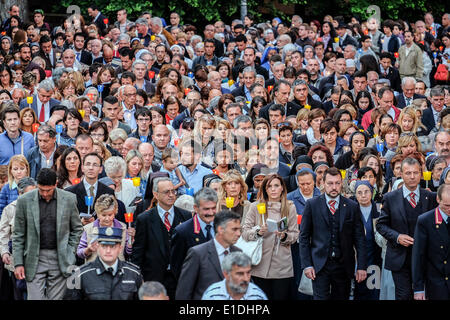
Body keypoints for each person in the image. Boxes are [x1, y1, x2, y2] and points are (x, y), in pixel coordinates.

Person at [12, 168, 83, 300]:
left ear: (56, 184)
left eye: (48, 190)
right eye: (41, 189)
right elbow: (18, 234)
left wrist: (70, 251)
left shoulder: (69, 199)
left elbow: (77, 229)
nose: (44, 194)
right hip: (34, 257)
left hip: (61, 257)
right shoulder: (24, 201)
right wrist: (18, 263)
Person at [299, 167, 367, 300]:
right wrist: (307, 265)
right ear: (323, 183)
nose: (334, 187)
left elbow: (359, 238)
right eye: (330, 183)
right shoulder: (312, 205)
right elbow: (304, 237)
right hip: (319, 265)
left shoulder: (352, 206)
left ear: (342, 184)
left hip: (344, 265)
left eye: (337, 183)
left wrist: (362, 266)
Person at [376, 157, 438, 300]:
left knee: (424, 295)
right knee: (403, 296)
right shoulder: (390, 198)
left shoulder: (430, 197)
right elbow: (381, 225)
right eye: (408, 173)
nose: (412, 177)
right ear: (401, 174)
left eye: (415, 173)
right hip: (400, 258)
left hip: (425, 257)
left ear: (421, 174)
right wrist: (397, 237)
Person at [131, 177, 191, 299]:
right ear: (156, 194)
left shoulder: (186, 216)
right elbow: (138, 252)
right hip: (153, 280)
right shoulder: (144, 219)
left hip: (179, 279)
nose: (171, 195)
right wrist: (138, 279)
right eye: (166, 192)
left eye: (173, 191)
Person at [241, 173, 298, 300]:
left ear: (282, 188)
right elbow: (244, 232)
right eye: (269, 186)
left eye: (276, 185)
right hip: (260, 263)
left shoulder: (290, 207)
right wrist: (258, 232)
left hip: (281, 266)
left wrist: (284, 236)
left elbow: (295, 234)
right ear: (265, 189)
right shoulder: (255, 206)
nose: (273, 189)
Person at [175, 210, 242, 300]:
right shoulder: (197, 254)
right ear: (220, 229)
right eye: (234, 229)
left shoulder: (238, 253)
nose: (238, 234)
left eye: (239, 229)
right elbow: (184, 292)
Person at [64, 226, 143, 300]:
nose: (108, 251)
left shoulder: (134, 274)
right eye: (104, 246)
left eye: (112, 247)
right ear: (97, 247)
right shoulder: (79, 275)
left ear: (120, 248)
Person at [0, 177, 36, 301]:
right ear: (20, 193)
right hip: (17, 257)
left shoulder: (40, 207)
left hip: (37, 256)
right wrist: (4, 251)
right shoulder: (10, 209)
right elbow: (3, 234)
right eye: (29, 193)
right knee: (19, 291)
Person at [412, 184, 450, 300]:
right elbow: (418, 255)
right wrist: (418, 288)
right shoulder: (425, 220)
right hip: (437, 283)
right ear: (438, 200)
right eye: (447, 205)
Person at [170, 187, 218, 280]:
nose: (211, 213)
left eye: (213, 208)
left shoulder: (223, 226)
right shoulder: (182, 231)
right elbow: (177, 267)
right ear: (196, 208)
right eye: (206, 209)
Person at [77, 194, 133, 263]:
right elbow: (79, 253)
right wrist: (88, 250)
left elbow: (129, 252)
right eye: (103, 215)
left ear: (115, 213)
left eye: (110, 215)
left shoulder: (122, 227)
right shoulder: (88, 229)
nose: (107, 219)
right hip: (94, 270)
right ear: (97, 214)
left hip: (117, 269)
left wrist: (131, 239)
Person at [66, 152, 115, 225]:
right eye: (88, 164)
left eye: (95, 165)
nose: (91, 168)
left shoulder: (108, 192)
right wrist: (80, 222)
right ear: (82, 168)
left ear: (101, 169)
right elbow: (65, 218)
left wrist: (97, 222)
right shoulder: (70, 192)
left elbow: (112, 216)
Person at [353, 180, 382, 300]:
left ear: (372, 193)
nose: (363, 195)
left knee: (373, 292)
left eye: (366, 192)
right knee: (359, 293)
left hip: (374, 259)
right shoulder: (351, 210)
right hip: (356, 260)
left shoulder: (379, 210)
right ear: (355, 195)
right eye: (359, 193)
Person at [202, 251, 268, 300]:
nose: (246, 279)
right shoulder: (212, 295)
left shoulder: (258, 295)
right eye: (240, 274)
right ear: (226, 274)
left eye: (248, 273)